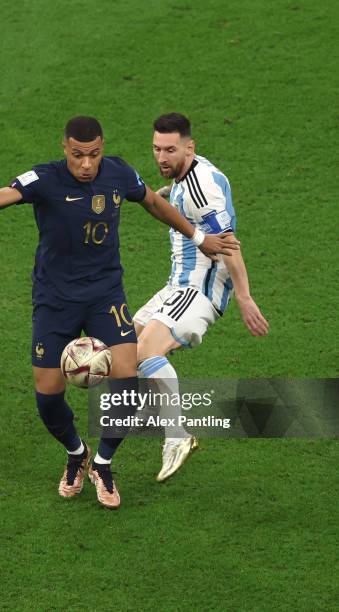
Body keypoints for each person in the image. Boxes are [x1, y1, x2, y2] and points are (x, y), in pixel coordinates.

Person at [0, 116, 240, 509]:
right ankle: (76, 453)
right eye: (78, 156)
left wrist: (198, 236)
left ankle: (103, 463)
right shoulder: (43, 180)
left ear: (102, 148)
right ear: (65, 149)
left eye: (93, 154)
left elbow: (151, 201)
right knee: (47, 397)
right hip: (55, 300)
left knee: (127, 383)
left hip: (104, 296)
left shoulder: (116, 172)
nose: (86, 164)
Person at [134, 113, 269, 482]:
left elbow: (228, 245)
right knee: (126, 345)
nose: (161, 157)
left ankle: (177, 437)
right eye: (156, 149)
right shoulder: (187, 176)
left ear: (189, 147)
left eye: (170, 150)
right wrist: (167, 197)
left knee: (147, 351)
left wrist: (244, 296)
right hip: (177, 284)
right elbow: (187, 201)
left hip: (199, 289)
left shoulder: (200, 188)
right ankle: (159, 409)